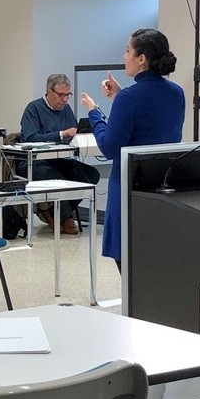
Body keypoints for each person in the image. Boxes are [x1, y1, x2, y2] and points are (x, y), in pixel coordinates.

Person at [80, 29, 185, 267]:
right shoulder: (176, 93)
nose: (124, 56)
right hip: (160, 186)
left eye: (128, 51)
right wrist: (119, 96)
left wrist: (94, 113)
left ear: (142, 58)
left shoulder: (128, 98)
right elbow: (151, 125)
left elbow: (109, 147)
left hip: (129, 186)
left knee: (128, 265)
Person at [19, 73, 101, 235]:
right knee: (56, 178)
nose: (64, 99)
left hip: (59, 159)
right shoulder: (33, 108)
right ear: (49, 91)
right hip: (34, 162)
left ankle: (53, 212)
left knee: (91, 175)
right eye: (61, 95)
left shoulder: (66, 109)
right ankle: (65, 217)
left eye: (67, 95)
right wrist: (61, 134)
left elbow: (73, 132)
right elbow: (29, 137)